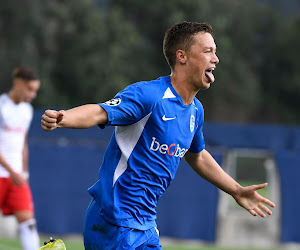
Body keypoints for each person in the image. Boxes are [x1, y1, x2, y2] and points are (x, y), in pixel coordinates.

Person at [41, 21, 275, 249]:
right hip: (114, 219)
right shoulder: (149, 96)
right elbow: (100, 112)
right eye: (207, 51)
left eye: (215, 52)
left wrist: (235, 189)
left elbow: (197, 156)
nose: (215, 58)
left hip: (145, 224)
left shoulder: (195, 110)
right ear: (182, 56)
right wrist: (63, 118)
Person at [0, 66, 41, 250]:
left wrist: (23, 172)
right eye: (29, 89)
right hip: (3, 174)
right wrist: (11, 171)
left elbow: (23, 144)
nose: (32, 95)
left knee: (28, 224)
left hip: (17, 178)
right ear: (17, 84)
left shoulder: (27, 110)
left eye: (35, 91)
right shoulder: (2, 107)